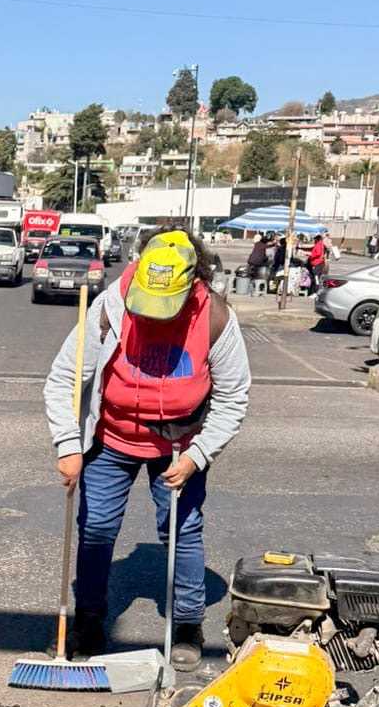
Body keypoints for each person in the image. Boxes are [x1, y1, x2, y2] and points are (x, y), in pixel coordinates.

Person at [43, 226, 252, 670]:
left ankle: (187, 624)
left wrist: (198, 456)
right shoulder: (111, 303)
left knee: (182, 532)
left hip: (179, 444)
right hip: (111, 437)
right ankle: (89, 620)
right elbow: (65, 378)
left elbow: (234, 396)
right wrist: (67, 443)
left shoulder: (215, 316)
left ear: (193, 282)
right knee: (96, 528)